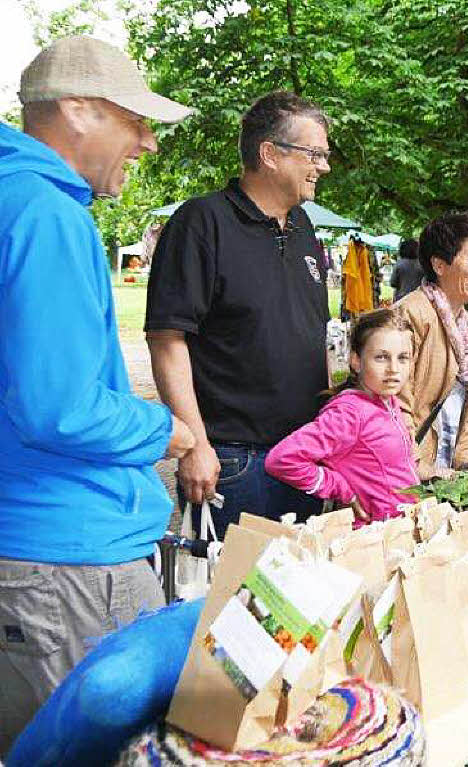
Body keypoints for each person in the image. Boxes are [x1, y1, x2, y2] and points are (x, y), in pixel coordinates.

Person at [0, 36, 195, 752]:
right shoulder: (47, 215)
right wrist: (164, 429)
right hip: (67, 559)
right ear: (77, 110)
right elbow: (60, 408)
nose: (146, 141)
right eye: (134, 120)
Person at [146, 91, 332, 540]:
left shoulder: (305, 228)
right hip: (233, 461)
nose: (324, 166)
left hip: (304, 456)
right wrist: (195, 444)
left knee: (302, 602)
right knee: (226, 604)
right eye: (315, 154)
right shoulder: (202, 222)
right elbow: (167, 340)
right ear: (270, 153)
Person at [265, 309, 418, 526]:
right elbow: (281, 459)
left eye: (403, 358)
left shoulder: (388, 401)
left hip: (400, 532)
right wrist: (342, 489)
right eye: (381, 357)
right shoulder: (349, 412)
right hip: (371, 541)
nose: (394, 369)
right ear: (356, 360)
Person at [394, 211, 468, 479]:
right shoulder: (411, 315)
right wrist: (414, 464)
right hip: (410, 474)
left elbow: (463, 404)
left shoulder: (464, 327)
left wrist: (465, 457)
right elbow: (394, 402)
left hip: (442, 471)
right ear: (439, 264)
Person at [390, 238, 424, 303]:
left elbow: (393, 283)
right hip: (419, 299)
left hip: (401, 299)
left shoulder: (399, 264)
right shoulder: (422, 265)